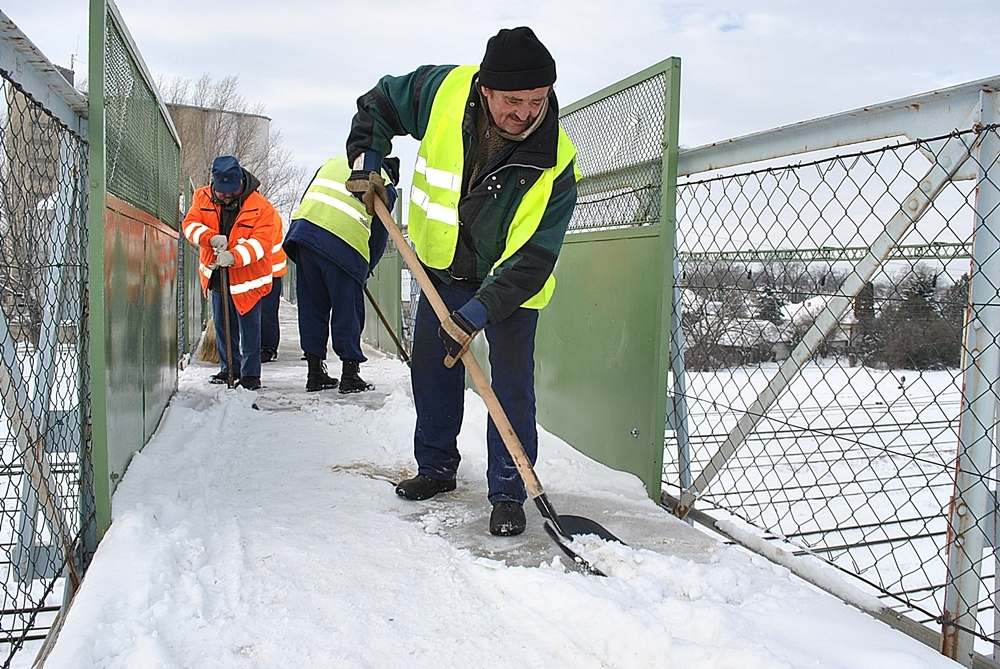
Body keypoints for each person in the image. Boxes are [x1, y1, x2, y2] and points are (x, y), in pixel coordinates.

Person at [345, 26, 578, 536]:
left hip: (511, 286)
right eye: (513, 101)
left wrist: (476, 314)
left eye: (537, 100)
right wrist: (368, 160)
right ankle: (435, 467)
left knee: (510, 386)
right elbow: (380, 104)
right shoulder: (444, 91)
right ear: (486, 89)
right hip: (442, 268)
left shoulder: (556, 160)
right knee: (433, 366)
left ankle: (510, 491)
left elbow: (535, 257)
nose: (525, 113)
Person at [284, 156, 399, 393]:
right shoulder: (384, 182)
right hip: (343, 244)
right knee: (348, 311)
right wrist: (365, 269)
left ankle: (314, 373)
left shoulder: (333, 163)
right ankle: (350, 375)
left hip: (304, 237)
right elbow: (379, 233)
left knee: (312, 307)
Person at [182, 155, 277, 391]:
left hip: (248, 280)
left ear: (241, 182)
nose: (226, 196)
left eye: (231, 191)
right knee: (224, 327)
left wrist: (234, 256)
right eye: (221, 191)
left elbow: (261, 243)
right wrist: (210, 238)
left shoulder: (261, 207)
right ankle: (228, 369)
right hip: (217, 277)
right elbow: (190, 225)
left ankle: (251, 375)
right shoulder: (202, 197)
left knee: (250, 329)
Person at [260, 218, 288, 363]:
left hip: (270, 271)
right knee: (265, 311)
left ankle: (268, 348)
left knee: (267, 311)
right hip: (262, 269)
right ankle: (264, 346)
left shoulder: (268, 215)